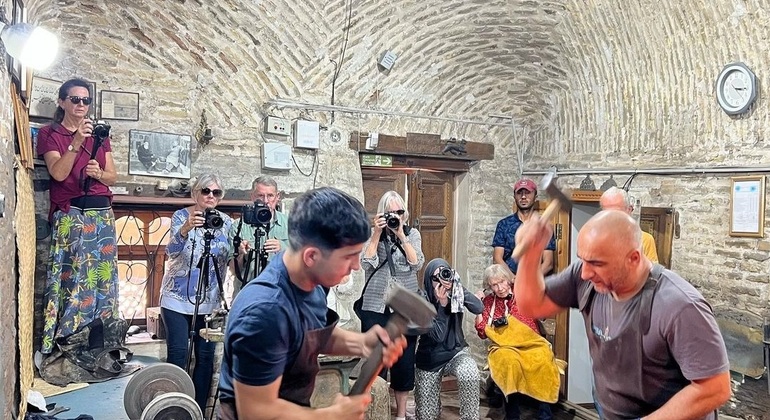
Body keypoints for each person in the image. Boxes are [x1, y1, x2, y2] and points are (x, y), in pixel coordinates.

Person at [513, 210, 731, 419]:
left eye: (597, 264)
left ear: (634, 258)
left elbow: (714, 388)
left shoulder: (680, 305)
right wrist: (531, 254)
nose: (586, 272)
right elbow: (531, 305)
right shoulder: (584, 276)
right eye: (584, 260)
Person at [217, 187, 406, 420]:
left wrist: (362, 343)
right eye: (348, 256)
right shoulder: (265, 312)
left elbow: (311, 334)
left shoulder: (312, 280)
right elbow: (257, 411)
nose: (356, 266)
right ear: (311, 256)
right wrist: (331, 416)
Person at [37, 78, 119, 356]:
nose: (81, 105)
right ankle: (67, 343)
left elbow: (112, 176)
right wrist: (76, 142)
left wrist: (99, 174)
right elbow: (58, 173)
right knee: (74, 280)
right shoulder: (50, 134)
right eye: (75, 99)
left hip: (101, 214)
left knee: (102, 281)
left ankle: (100, 345)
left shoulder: (100, 135)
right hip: (72, 213)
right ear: (62, 102)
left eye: (86, 100)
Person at [161, 173, 240, 413]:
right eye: (205, 191)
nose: (210, 196)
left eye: (216, 193)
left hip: (209, 303)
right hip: (175, 299)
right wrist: (185, 230)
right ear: (195, 193)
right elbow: (171, 252)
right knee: (178, 355)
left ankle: (197, 411)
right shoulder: (181, 217)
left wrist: (241, 251)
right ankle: (174, 410)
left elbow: (232, 262)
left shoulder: (227, 223)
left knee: (205, 359)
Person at [358, 190, 424, 420]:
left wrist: (402, 236)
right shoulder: (372, 233)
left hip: (404, 308)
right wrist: (376, 234)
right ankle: (378, 412)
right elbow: (366, 262)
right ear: (381, 214)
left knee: (404, 361)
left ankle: (401, 414)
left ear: (405, 214)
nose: (395, 216)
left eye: (399, 212)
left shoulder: (412, 233)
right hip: (375, 306)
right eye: (391, 212)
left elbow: (417, 263)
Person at [474, 264, 557, 420]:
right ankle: (512, 415)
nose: (499, 288)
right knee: (510, 362)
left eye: (502, 282)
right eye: (494, 285)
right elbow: (482, 332)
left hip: (531, 343)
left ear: (508, 280)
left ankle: (545, 415)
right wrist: (478, 305)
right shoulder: (489, 302)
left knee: (544, 359)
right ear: (489, 287)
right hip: (505, 347)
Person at [414, 258, 483, 420]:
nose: (440, 281)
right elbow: (437, 335)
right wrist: (442, 304)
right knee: (426, 416)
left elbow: (479, 307)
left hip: (456, 353)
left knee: (470, 372)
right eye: (435, 278)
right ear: (428, 279)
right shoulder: (422, 300)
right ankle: (431, 408)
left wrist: (456, 286)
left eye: (444, 274)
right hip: (430, 359)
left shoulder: (456, 292)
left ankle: (470, 418)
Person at [492, 178, 555, 276]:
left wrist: (530, 280)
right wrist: (513, 279)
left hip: (534, 281)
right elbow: (497, 258)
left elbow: (548, 262)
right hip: (507, 282)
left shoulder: (543, 226)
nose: (523, 197)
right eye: (519, 193)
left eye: (528, 193)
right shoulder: (504, 224)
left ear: (535, 196)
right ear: (514, 196)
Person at [235, 176, 290, 282]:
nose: (265, 201)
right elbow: (233, 269)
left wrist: (283, 248)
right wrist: (240, 253)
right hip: (248, 289)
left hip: (280, 290)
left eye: (270, 196)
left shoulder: (291, 224)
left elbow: (302, 261)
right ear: (252, 197)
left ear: (277, 197)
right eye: (260, 196)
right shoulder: (239, 225)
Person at [600, 186, 659, 263]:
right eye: (607, 212)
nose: (612, 217)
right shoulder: (596, 239)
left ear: (629, 210)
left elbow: (652, 272)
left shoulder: (645, 240)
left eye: (617, 211)